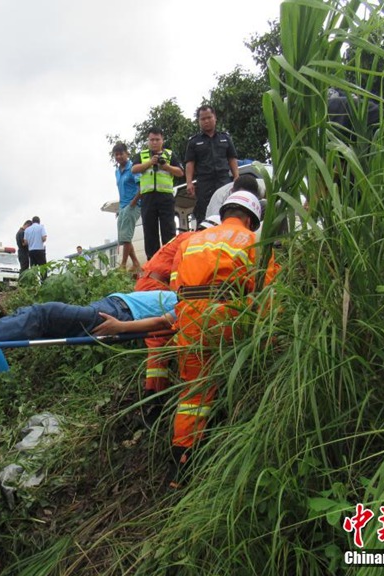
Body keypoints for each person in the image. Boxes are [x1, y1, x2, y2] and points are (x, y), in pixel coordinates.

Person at [168, 193, 280, 488]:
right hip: (227, 316)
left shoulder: (192, 240)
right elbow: (269, 294)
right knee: (242, 376)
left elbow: (174, 285)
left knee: (193, 395)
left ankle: (180, 470)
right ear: (250, 219)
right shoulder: (253, 241)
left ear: (224, 212)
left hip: (189, 319)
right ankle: (234, 448)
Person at [134, 218, 220, 415]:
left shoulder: (185, 238)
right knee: (159, 339)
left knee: (159, 340)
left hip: (150, 283)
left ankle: (155, 394)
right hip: (156, 286)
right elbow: (177, 276)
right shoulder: (193, 240)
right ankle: (153, 396)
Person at [0, 290, 177, 343]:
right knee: (32, 317)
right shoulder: (184, 287)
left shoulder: (188, 298)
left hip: (116, 315)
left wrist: (121, 327)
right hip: (111, 307)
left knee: (44, 314)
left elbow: (165, 321)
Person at [132, 128, 185, 260]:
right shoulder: (142, 155)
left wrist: (166, 166)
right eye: (152, 140)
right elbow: (134, 169)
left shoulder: (170, 155)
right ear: (148, 141)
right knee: (150, 232)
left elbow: (180, 172)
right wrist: (150, 162)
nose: (154, 142)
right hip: (148, 198)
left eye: (157, 139)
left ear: (162, 140)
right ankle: (153, 263)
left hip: (165, 197)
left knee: (169, 231)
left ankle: (171, 261)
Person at [185, 105, 240, 223]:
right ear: (199, 121)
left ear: (215, 118)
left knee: (228, 209)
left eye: (209, 117)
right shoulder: (194, 141)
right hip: (204, 182)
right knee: (204, 212)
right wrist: (189, 182)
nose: (206, 121)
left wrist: (236, 176)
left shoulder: (225, 138)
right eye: (202, 119)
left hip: (223, 179)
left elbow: (232, 158)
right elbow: (190, 163)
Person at [112, 142, 142, 271]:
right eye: (116, 155)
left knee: (126, 237)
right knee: (123, 237)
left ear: (127, 153)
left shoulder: (133, 168)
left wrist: (133, 202)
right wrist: (120, 208)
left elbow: (142, 187)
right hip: (123, 206)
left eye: (121, 154)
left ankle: (123, 265)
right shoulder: (117, 172)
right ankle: (135, 263)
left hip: (133, 204)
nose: (119, 157)